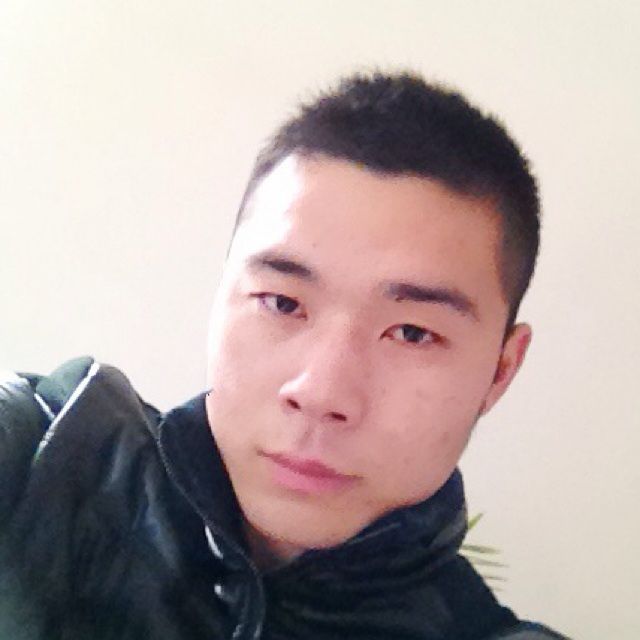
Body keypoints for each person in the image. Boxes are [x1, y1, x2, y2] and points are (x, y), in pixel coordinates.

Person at [0, 71, 567, 639]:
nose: (320, 393)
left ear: (500, 372)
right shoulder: (45, 455)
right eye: (282, 302)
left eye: (413, 333)